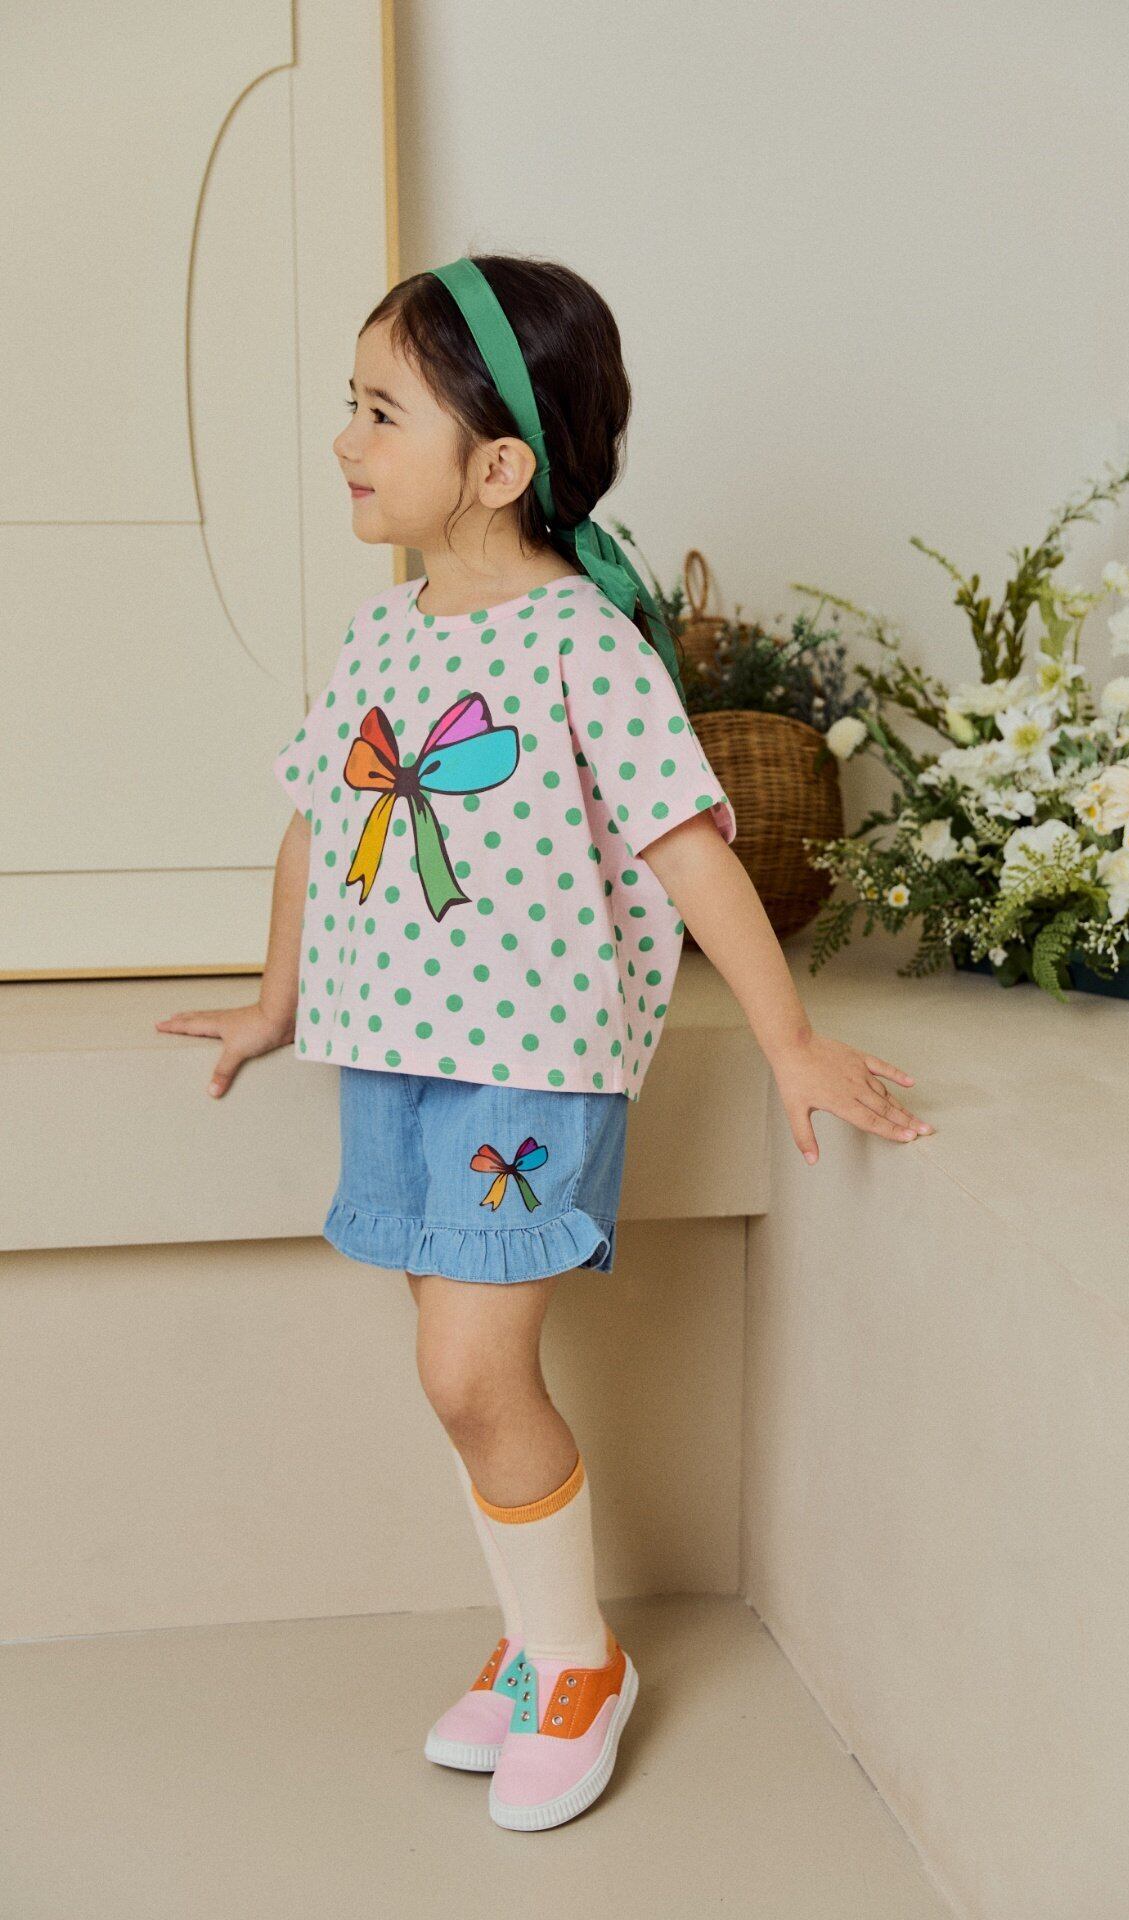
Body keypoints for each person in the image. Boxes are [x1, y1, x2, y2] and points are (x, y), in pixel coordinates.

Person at [155, 254, 933, 1833]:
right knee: (456, 1380)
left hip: (527, 1063)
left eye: (382, 413)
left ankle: (578, 1662)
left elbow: (689, 848)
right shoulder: (383, 637)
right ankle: (537, 1640)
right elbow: (313, 824)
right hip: (391, 1053)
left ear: (499, 466)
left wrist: (789, 1041)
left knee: (469, 1372)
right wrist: (277, 999)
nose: (345, 440)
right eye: (352, 406)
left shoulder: (583, 645)